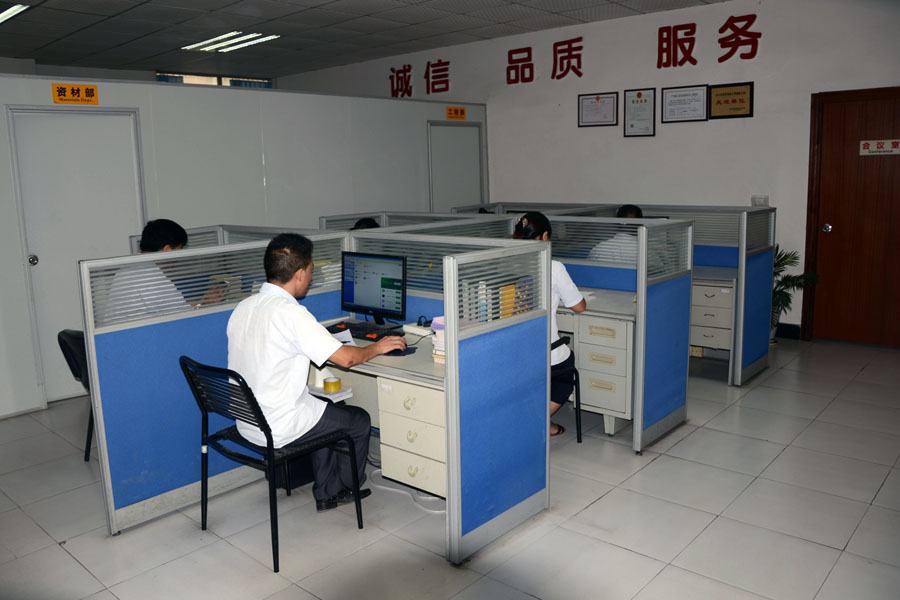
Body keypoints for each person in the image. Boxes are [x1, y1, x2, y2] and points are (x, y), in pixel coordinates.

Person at [227, 233, 406, 510]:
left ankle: (326, 489)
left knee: (325, 407)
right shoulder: (292, 314)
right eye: (311, 269)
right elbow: (347, 359)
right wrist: (378, 347)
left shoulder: (244, 307)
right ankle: (341, 489)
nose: (311, 276)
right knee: (358, 420)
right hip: (277, 425)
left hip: (248, 419)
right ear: (299, 274)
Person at [513, 212, 586, 437]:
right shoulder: (554, 267)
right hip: (542, 351)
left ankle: (531, 418)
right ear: (545, 236)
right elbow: (579, 307)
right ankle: (536, 422)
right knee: (566, 370)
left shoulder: (507, 261)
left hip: (512, 349)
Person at [105, 219, 190, 323]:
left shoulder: (126, 269)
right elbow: (187, 317)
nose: (179, 258)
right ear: (167, 250)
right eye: (179, 251)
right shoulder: (152, 278)